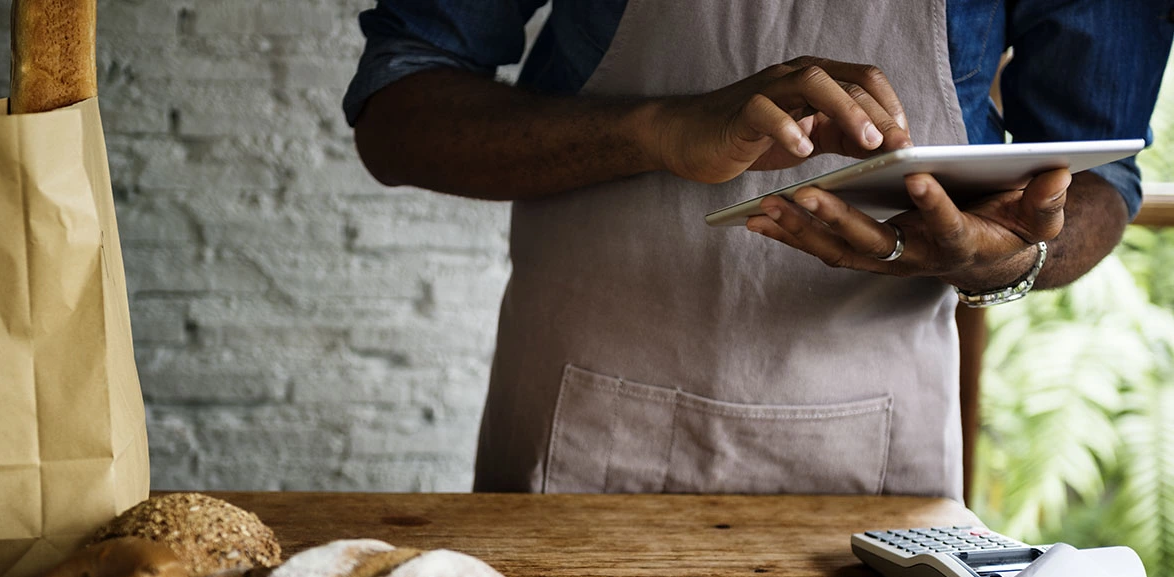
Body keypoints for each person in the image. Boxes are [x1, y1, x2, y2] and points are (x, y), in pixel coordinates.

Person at [343, 1, 1173, 499]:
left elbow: (1100, 172)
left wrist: (1001, 259)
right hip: (575, 417)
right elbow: (398, 111)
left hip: (882, 443)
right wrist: (659, 130)